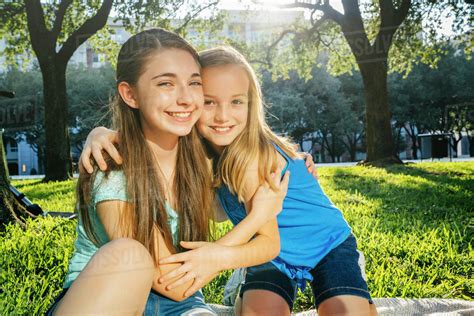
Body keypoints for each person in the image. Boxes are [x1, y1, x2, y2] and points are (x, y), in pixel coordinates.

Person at [46, 29, 288, 316]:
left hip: (182, 305)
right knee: (129, 254)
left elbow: (268, 243)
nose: (186, 98)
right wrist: (257, 216)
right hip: (108, 298)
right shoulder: (113, 168)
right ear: (130, 94)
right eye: (166, 84)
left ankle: (233, 302)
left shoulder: (202, 155)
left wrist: (294, 158)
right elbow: (171, 282)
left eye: (194, 83)